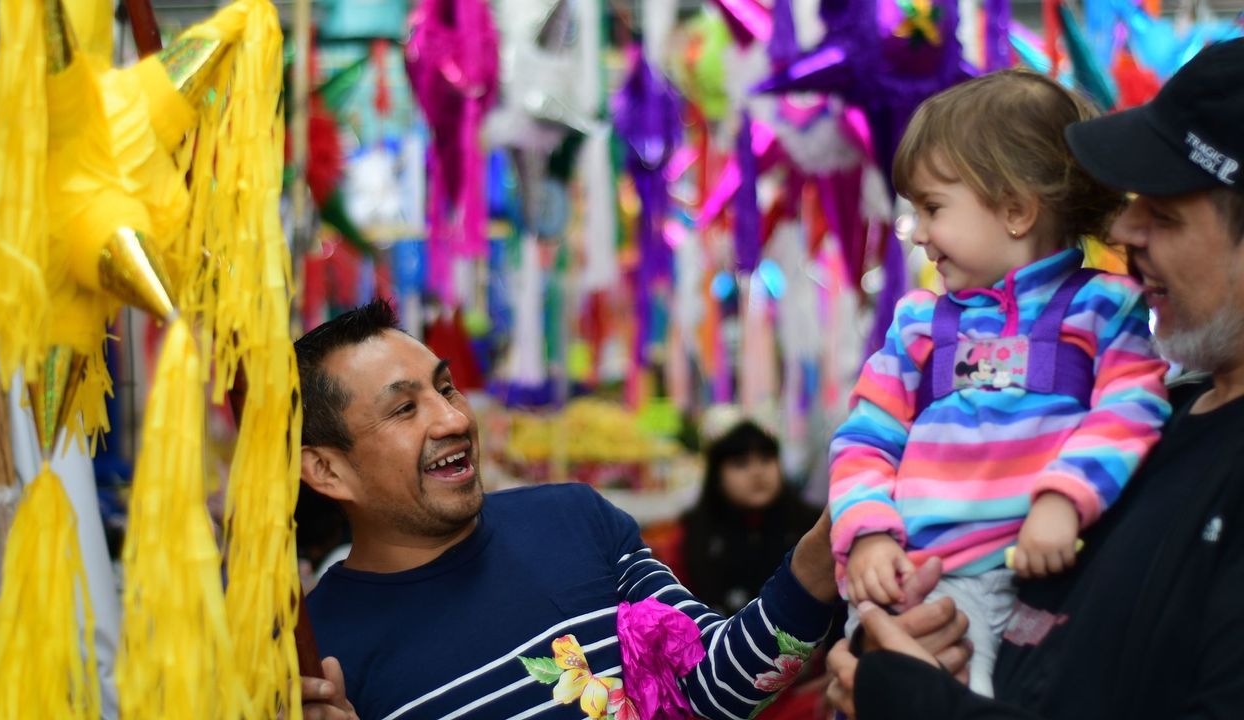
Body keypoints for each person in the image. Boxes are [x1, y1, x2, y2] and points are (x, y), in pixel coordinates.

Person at [825, 37, 1244, 720]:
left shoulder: (1109, 330)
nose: (1127, 229)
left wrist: (909, 698)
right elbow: (867, 435)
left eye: (1165, 212)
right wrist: (868, 535)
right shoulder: (926, 325)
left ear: (1017, 210)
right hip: (918, 579)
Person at [293, 300, 969, 720]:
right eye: (405, 408)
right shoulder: (318, 654)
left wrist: (833, 538)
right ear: (326, 468)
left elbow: (714, 683)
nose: (451, 419)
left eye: (446, 388)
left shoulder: (574, 520)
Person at [674, 413, 822, 616]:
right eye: (741, 463)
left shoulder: (813, 526)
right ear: (717, 476)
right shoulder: (693, 533)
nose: (757, 472)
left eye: (766, 459)